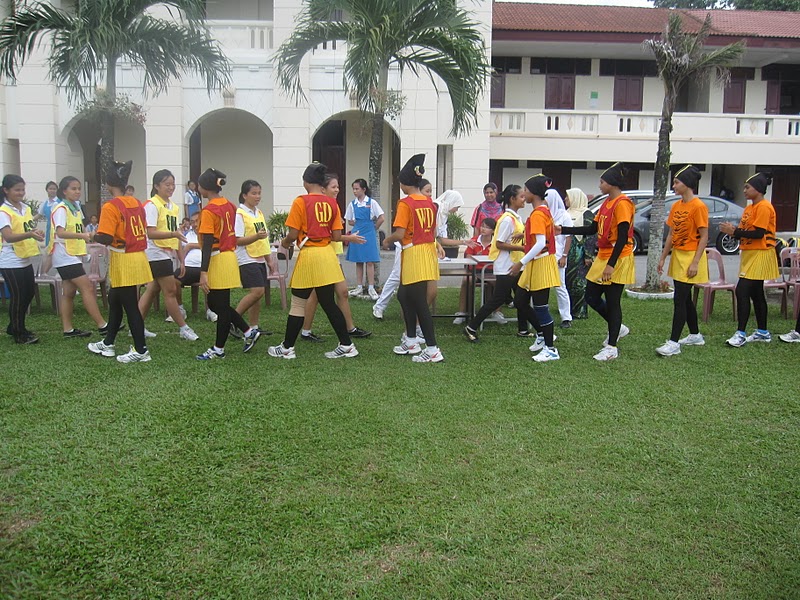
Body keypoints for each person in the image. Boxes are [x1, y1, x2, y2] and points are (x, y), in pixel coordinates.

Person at [267, 162, 358, 359]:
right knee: (328, 302)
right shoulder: (332, 203)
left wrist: (285, 241)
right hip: (326, 255)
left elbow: (292, 233)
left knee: (298, 303)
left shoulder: (301, 201)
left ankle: (286, 348)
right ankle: (347, 344)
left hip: (310, 255)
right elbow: (336, 236)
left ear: (306, 182)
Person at [558, 162, 636, 361]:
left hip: (617, 257)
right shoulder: (606, 204)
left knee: (613, 300)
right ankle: (618, 327)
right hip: (603, 255)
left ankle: (612, 347)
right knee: (591, 296)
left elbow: (621, 237)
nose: (599, 185)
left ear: (612, 183)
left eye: (602, 182)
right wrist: (564, 230)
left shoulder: (623, 203)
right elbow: (591, 230)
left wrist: (611, 264)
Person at [87, 160, 153, 362]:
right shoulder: (136, 202)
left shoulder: (111, 206)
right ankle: (108, 343)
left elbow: (106, 237)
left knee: (130, 305)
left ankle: (141, 351)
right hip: (136, 256)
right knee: (115, 300)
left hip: (123, 257)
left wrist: (91, 237)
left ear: (108, 184)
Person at [382, 153, 445, 363]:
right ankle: (410, 341)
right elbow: (432, 231)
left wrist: (387, 241)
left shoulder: (405, 203)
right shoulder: (429, 203)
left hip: (414, 252)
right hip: (426, 251)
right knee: (404, 296)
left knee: (418, 302)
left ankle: (433, 349)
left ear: (404, 183)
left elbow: (399, 234)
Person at [195, 168, 261, 359]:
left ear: (204, 187)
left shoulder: (209, 210)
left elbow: (208, 243)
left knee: (220, 306)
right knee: (217, 304)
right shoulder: (230, 205)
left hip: (218, 257)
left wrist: (203, 272)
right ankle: (248, 331)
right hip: (228, 256)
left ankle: (218, 349)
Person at [464, 184, 540, 342]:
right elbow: (498, 243)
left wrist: (521, 236)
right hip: (507, 266)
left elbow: (510, 237)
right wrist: (521, 247)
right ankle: (471, 326)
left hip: (515, 264)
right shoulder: (507, 219)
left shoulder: (514, 217)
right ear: (512, 199)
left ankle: (523, 329)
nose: (524, 199)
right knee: (499, 299)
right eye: (521, 196)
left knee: (521, 298)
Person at [300, 174, 370, 342]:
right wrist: (350, 238)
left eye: (338, 186)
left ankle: (349, 328)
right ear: (323, 188)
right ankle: (306, 331)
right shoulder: (319, 206)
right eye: (333, 187)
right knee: (317, 295)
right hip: (323, 256)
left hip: (332, 256)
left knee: (343, 292)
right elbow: (327, 235)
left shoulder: (333, 205)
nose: (337, 189)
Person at [137, 169, 199, 341]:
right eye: (167, 184)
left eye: (173, 184)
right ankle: (183, 328)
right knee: (170, 290)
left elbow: (176, 235)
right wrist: (173, 235)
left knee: (152, 289)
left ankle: (136, 326)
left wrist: (182, 260)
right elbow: (151, 232)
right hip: (155, 252)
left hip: (167, 252)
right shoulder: (151, 205)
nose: (171, 187)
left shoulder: (173, 207)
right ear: (157, 186)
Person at [655, 165, 710, 356]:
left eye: (677, 182)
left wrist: (695, 262)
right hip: (678, 255)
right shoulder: (676, 206)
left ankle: (673, 342)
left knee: (679, 299)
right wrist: (663, 257)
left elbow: (704, 236)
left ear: (687, 184)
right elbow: (671, 234)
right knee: (684, 299)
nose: (674, 185)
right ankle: (695, 335)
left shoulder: (699, 206)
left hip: (691, 256)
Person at [720, 172, 779, 347]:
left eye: (748, 187)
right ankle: (763, 332)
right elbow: (746, 233)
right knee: (756, 293)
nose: (744, 190)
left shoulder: (764, 207)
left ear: (759, 189)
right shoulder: (749, 208)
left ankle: (741, 333)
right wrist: (733, 231)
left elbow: (759, 233)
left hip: (761, 253)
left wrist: (735, 232)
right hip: (749, 253)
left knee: (742, 291)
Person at [509, 174, 562, 362]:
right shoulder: (542, 211)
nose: (524, 192)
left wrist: (520, 263)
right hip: (536, 262)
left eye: (526, 189)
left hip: (541, 263)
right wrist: (524, 233)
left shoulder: (539, 213)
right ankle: (541, 334)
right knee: (521, 301)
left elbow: (540, 243)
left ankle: (550, 348)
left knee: (541, 307)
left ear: (533, 193)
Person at [48, 176, 110, 337]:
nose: (77, 192)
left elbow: (80, 228)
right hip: (64, 254)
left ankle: (68, 329)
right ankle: (103, 325)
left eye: (78, 188)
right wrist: (82, 235)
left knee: (68, 293)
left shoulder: (75, 207)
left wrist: (88, 235)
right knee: (88, 287)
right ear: (64, 191)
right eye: (73, 188)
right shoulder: (61, 208)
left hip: (73, 254)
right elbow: (60, 232)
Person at [372, 179, 435, 320]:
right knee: (400, 281)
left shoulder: (412, 203)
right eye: (427, 191)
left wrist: (387, 240)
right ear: (419, 189)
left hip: (416, 249)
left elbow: (430, 232)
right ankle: (382, 307)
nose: (429, 194)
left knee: (411, 294)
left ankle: (413, 331)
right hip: (416, 248)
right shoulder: (416, 204)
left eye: (430, 191)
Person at [0, 174, 44, 344]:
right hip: (10, 258)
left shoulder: (25, 208)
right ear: (6, 190)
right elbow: (8, 236)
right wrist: (29, 234)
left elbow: (29, 228)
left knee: (29, 292)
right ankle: (19, 333)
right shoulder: (4, 211)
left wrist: (36, 233)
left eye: (22, 189)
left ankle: (15, 326)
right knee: (18, 295)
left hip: (24, 256)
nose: (20, 193)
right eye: (17, 190)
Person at [233, 179, 276, 335]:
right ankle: (233, 321)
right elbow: (237, 240)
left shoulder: (258, 212)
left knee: (258, 294)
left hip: (259, 257)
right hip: (246, 257)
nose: (257, 196)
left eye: (259, 193)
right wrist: (256, 237)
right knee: (257, 291)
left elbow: (264, 239)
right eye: (253, 193)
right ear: (245, 195)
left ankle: (254, 327)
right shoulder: (240, 214)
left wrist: (269, 260)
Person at [174, 211, 216, 323]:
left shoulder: (208, 234)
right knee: (174, 279)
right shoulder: (188, 235)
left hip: (205, 267)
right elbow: (181, 251)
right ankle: (180, 309)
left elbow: (212, 246)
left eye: (197, 221)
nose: (195, 224)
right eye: (192, 222)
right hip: (189, 267)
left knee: (210, 279)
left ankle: (210, 310)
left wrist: (191, 246)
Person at [345, 178, 384, 300]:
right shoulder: (352, 204)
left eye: (357, 189)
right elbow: (350, 220)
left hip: (369, 233)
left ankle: (371, 287)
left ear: (364, 189)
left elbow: (381, 217)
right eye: (353, 189)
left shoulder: (371, 203)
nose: (355, 191)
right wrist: (357, 224)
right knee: (359, 260)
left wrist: (374, 227)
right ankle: (359, 286)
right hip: (356, 233)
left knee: (370, 261)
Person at [564, 188, 597, 320]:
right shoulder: (566, 213)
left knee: (579, 282)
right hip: (568, 252)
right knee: (568, 281)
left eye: (568, 197)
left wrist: (588, 255)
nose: (565, 199)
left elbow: (591, 236)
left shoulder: (587, 213)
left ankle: (580, 310)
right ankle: (570, 308)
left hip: (580, 251)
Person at [544, 182, 574, 328]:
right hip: (545, 254)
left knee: (560, 285)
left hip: (559, 255)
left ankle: (566, 317)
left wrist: (564, 255)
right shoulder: (545, 214)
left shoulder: (564, 215)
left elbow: (568, 237)